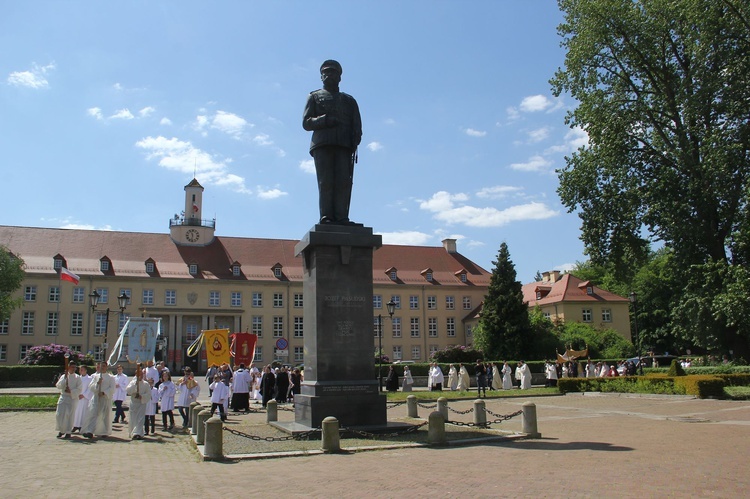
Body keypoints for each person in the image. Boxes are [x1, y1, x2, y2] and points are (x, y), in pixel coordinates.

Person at [302, 59, 362, 225]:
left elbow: (357, 125)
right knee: (326, 182)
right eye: (326, 72)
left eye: (333, 72)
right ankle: (326, 217)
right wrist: (325, 120)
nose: (329, 75)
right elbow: (306, 122)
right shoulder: (314, 97)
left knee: (343, 182)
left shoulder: (349, 101)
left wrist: (356, 137)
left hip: (344, 145)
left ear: (340, 77)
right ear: (321, 76)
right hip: (323, 144)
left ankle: (342, 217)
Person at [82, 361, 115, 439]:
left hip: (105, 399)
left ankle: (104, 431)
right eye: (101, 366)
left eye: (104, 366)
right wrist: (97, 383)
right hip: (96, 398)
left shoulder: (111, 377)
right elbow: (91, 387)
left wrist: (104, 393)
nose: (102, 367)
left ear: (106, 367)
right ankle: (90, 431)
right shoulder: (96, 376)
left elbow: (112, 388)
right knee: (93, 414)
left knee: (104, 416)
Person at [55, 360, 81, 439]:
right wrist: (64, 378)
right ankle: (62, 430)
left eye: (75, 367)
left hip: (72, 398)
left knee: (70, 415)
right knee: (60, 414)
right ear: (68, 367)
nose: (73, 369)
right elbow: (58, 386)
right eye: (72, 367)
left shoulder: (77, 377)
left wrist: (71, 391)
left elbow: (80, 389)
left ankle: (68, 432)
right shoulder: (64, 376)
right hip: (63, 397)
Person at [126, 366, 151, 440]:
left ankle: (138, 433)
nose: (140, 376)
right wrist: (135, 385)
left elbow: (149, 394)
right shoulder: (132, 382)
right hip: (134, 403)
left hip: (141, 403)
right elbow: (128, 391)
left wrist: (142, 396)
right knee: (133, 418)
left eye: (141, 374)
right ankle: (133, 432)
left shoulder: (146, 384)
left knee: (140, 419)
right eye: (139, 374)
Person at [72, 364, 92, 433]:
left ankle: (82, 426)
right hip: (77, 397)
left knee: (83, 412)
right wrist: (76, 394)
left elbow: (90, 388)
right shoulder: (77, 378)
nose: (81, 371)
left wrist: (84, 395)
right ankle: (75, 425)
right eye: (80, 370)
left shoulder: (89, 379)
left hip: (84, 398)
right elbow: (74, 387)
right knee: (76, 412)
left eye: (82, 370)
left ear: (86, 370)